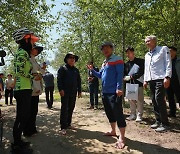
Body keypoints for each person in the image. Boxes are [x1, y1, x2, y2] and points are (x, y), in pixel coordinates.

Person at [87, 42, 126, 149]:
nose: (105, 50)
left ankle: (122, 137)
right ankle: (113, 131)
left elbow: (119, 75)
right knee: (109, 113)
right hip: (105, 92)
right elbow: (100, 75)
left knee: (118, 113)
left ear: (112, 48)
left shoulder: (117, 59)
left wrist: (119, 88)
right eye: (103, 49)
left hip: (114, 92)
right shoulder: (104, 62)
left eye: (107, 48)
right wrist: (92, 70)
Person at [12, 27, 39, 150]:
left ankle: (18, 140)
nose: (33, 42)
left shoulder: (24, 53)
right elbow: (20, 71)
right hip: (22, 89)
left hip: (26, 88)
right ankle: (16, 143)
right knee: (21, 117)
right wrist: (33, 76)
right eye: (31, 40)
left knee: (23, 116)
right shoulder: (22, 53)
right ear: (25, 40)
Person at [144, 35, 172, 132]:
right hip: (151, 79)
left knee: (159, 98)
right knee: (153, 99)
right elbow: (147, 68)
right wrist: (145, 80)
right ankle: (158, 120)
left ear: (154, 41)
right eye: (145, 41)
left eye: (148, 41)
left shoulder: (163, 49)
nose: (146, 42)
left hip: (161, 78)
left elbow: (168, 63)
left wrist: (167, 77)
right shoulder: (147, 55)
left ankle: (165, 123)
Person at [57, 52, 82, 135]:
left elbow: (79, 81)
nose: (72, 59)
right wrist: (60, 89)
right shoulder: (63, 69)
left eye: (73, 58)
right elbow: (59, 79)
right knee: (64, 108)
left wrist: (79, 91)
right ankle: (63, 127)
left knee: (71, 108)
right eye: (70, 57)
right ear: (67, 59)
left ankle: (68, 124)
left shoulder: (76, 70)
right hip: (65, 92)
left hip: (73, 92)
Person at [23, 44, 45, 137]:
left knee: (34, 110)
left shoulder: (35, 60)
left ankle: (32, 128)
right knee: (29, 110)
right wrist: (37, 76)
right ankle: (27, 130)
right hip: (31, 86)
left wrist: (43, 68)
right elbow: (27, 74)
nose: (37, 51)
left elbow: (41, 72)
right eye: (35, 49)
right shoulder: (27, 59)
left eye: (37, 50)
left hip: (36, 86)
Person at [124, 47, 144, 122]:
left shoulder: (140, 61)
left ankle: (139, 115)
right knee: (131, 99)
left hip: (138, 83)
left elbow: (141, 72)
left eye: (129, 52)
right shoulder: (127, 64)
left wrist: (132, 76)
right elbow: (125, 73)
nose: (127, 54)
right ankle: (133, 114)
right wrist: (125, 78)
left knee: (139, 100)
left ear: (133, 52)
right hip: (130, 84)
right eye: (126, 53)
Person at [166, 46, 180, 117]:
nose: (169, 53)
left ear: (175, 52)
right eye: (168, 51)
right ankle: (172, 112)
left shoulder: (178, 60)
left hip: (177, 82)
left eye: (170, 51)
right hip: (168, 82)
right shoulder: (166, 61)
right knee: (170, 97)